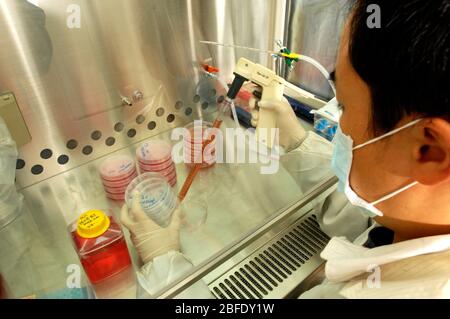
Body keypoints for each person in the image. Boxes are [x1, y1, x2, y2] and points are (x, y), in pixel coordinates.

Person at [121, 0, 450, 298]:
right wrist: (297, 141)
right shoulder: (419, 220)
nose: (340, 124)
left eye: (345, 107)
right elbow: (363, 221)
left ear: (428, 150)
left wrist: (164, 267)